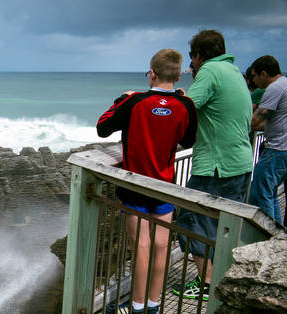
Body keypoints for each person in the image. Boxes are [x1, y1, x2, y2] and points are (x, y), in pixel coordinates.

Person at [97, 48, 197, 314]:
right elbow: (188, 141)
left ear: (152, 73)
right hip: (165, 184)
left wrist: (122, 98)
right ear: (178, 76)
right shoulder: (185, 105)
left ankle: (137, 307)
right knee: (162, 245)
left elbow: (102, 126)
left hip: (135, 186)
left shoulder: (135, 102)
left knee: (140, 246)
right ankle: (154, 304)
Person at [172, 30, 253, 302]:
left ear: (198, 56)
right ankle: (221, 277)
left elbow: (185, 110)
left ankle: (207, 284)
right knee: (225, 226)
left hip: (217, 166)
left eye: (193, 60)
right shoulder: (234, 73)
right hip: (240, 162)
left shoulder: (210, 71)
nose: (192, 66)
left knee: (190, 218)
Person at [248, 55, 287, 225]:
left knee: (260, 193)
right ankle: (277, 234)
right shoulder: (285, 83)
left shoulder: (274, 88)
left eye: (255, 76)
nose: (254, 82)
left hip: (277, 149)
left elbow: (255, 120)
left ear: (263, 73)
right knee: (270, 194)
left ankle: (266, 236)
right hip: (283, 148)